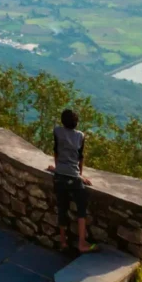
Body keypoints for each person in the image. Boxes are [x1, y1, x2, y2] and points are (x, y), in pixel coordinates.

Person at [47, 109, 97, 254]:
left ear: (62, 121)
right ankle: (82, 243)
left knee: (62, 209)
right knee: (81, 209)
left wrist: (57, 169)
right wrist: (79, 175)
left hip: (59, 176)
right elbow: (80, 158)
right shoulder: (81, 136)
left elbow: (56, 151)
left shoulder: (57, 131)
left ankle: (63, 242)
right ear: (76, 123)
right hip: (74, 178)